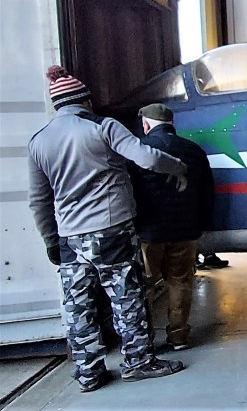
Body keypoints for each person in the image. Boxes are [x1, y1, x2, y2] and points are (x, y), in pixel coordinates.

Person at [27, 67, 188, 392]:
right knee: (126, 298)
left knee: (79, 306)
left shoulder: (39, 141)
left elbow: (39, 201)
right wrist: (178, 167)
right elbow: (147, 158)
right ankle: (138, 362)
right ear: (85, 100)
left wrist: (51, 241)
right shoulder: (103, 127)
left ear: (58, 105)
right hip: (111, 231)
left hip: (70, 239)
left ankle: (88, 372)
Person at [131, 104, 214, 351]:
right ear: (171, 122)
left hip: (149, 232)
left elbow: (130, 192)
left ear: (146, 124)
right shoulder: (194, 150)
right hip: (186, 230)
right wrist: (204, 223)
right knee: (180, 282)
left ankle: (143, 340)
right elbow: (207, 191)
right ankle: (178, 336)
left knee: (144, 284)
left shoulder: (139, 150)